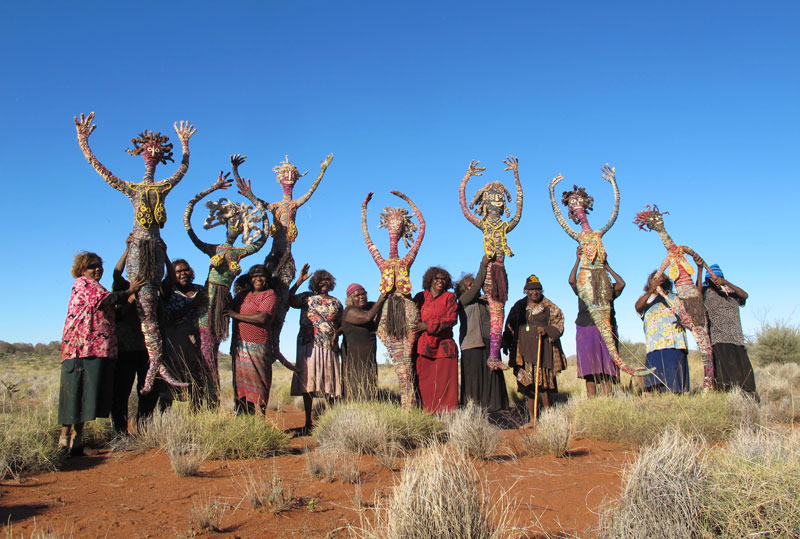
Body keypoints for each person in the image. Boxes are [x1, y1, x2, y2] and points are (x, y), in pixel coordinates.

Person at [59, 251, 144, 455]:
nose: (97, 269)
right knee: (74, 393)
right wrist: (129, 291)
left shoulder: (99, 288)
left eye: (99, 265)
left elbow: (116, 311)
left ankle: (77, 440)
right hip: (80, 349)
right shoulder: (83, 284)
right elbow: (106, 299)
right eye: (92, 266)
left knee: (88, 395)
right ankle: (63, 439)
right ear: (81, 269)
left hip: (98, 350)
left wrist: (131, 299)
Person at [503, 275, 566, 427]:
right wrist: (506, 341)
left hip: (543, 351)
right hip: (523, 352)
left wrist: (546, 330)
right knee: (528, 386)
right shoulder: (519, 306)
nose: (534, 292)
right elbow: (509, 324)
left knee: (544, 386)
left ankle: (549, 418)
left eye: (537, 289)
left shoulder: (549, 306)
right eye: (531, 290)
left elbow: (559, 322)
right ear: (526, 291)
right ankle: (533, 419)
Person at [111, 236, 158, 434]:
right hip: (125, 347)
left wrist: (162, 252)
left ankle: (144, 426)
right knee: (121, 390)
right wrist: (128, 248)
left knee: (149, 389)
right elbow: (116, 273)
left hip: (147, 348)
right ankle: (120, 430)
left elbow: (169, 280)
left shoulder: (152, 286)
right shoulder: (122, 288)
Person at [290, 267, 342, 430]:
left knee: (330, 382)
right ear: (314, 283)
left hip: (328, 345)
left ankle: (332, 420)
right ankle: (307, 421)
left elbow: (342, 324)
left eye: (327, 280)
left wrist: (337, 333)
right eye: (320, 280)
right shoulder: (306, 298)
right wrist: (299, 281)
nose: (324, 283)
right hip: (308, 345)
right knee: (308, 381)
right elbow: (288, 300)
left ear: (332, 283)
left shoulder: (336, 302)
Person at [568, 246, 624, 397]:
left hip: (606, 327)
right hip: (586, 327)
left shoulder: (608, 288)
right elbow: (572, 281)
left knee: (607, 367)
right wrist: (578, 260)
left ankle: (607, 399)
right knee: (589, 369)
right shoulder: (583, 288)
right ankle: (592, 401)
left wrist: (607, 266)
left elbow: (621, 284)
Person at [226, 265, 281, 414]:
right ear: (250, 279)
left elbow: (262, 317)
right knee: (240, 385)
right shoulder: (243, 295)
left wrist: (235, 315)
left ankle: (260, 419)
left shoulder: (270, 295)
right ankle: (244, 420)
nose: (258, 279)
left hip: (258, 346)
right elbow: (227, 307)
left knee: (259, 383)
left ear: (267, 278)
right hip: (239, 345)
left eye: (261, 276)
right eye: (254, 276)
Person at [456, 257, 508, 412]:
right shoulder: (463, 300)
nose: (474, 286)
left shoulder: (486, 301)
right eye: (469, 285)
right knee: (474, 377)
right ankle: (474, 408)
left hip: (489, 342)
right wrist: (483, 265)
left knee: (492, 375)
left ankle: (496, 406)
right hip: (471, 343)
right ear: (464, 289)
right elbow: (476, 287)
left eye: (474, 283)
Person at [160, 256, 209, 409]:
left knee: (197, 379)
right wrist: (193, 303)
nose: (183, 273)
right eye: (178, 271)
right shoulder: (170, 293)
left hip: (197, 342)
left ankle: (196, 415)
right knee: (170, 381)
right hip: (174, 341)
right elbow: (169, 318)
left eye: (186, 269)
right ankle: (164, 418)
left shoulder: (200, 289)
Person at [703, 264, 756, 395]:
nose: (716, 280)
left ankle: (749, 399)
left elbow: (745, 295)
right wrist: (699, 270)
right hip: (719, 339)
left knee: (745, 374)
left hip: (737, 338)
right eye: (712, 279)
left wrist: (726, 283)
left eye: (718, 277)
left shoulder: (730, 292)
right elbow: (696, 293)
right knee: (725, 376)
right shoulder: (706, 292)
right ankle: (728, 401)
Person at [635, 271, 690, 393]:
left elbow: (687, 315)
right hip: (655, 345)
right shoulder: (647, 299)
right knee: (655, 386)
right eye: (655, 279)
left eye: (661, 279)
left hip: (675, 343)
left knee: (675, 385)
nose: (659, 281)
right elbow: (637, 307)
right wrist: (651, 290)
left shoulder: (675, 298)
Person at [413, 267, 458, 413]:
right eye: (436, 278)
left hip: (444, 347)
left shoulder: (449, 297)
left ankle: (447, 415)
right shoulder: (420, 297)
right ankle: (428, 413)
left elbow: (451, 319)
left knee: (446, 384)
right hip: (424, 347)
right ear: (429, 280)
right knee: (425, 382)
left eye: (443, 279)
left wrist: (426, 325)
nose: (440, 282)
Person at [341, 284, 386, 400]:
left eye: (363, 294)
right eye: (357, 295)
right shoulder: (349, 311)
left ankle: (369, 407)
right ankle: (356, 410)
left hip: (369, 355)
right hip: (355, 357)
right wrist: (382, 297)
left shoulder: (368, 307)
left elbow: (380, 307)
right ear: (351, 298)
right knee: (357, 382)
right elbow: (367, 317)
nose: (361, 297)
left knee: (369, 381)